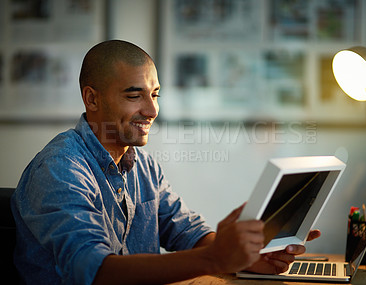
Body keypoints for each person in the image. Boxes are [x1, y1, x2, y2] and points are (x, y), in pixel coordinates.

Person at [11, 40, 320, 285]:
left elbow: (187, 232)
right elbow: (94, 273)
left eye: (155, 94)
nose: (152, 110)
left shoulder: (142, 166)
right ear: (92, 99)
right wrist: (216, 258)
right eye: (135, 96)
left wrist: (244, 258)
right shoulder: (60, 168)